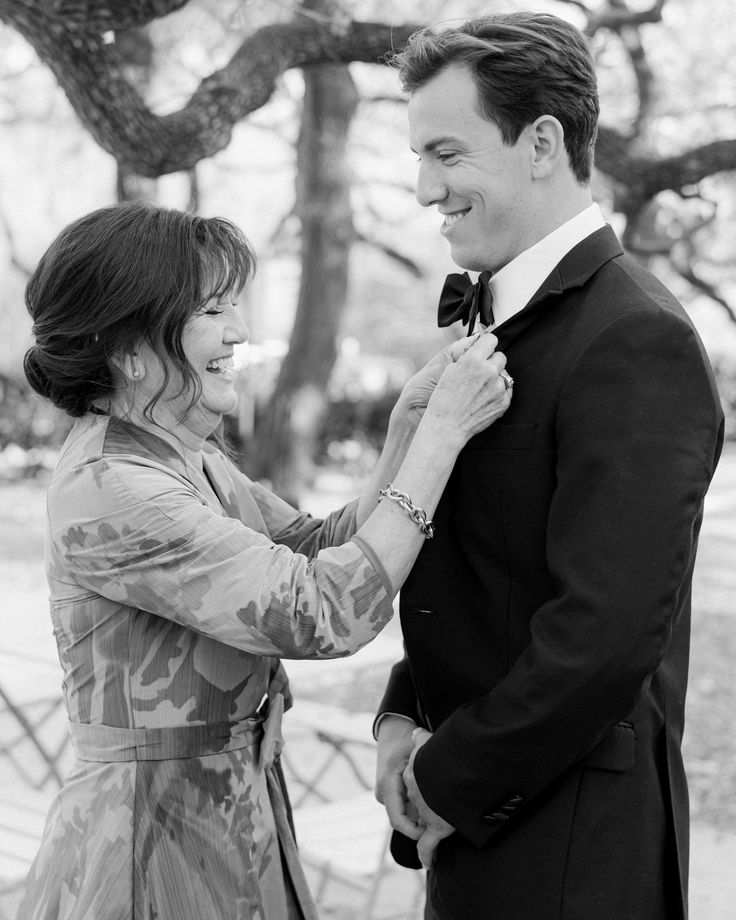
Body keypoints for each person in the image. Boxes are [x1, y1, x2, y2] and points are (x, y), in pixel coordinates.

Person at [18, 200, 512, 920]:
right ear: (127, 346)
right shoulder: (115, 489)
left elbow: (314, 546)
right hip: (151, 847)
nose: (239, 331)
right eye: (212, 309)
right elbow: (322, 612)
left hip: (232, 819)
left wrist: (407, 427)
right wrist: (441, 440)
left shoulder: (184, 456)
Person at [374, 12, 724, 920]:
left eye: (446, 154)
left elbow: (602, 637)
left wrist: (443, 782)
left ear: (540, 142)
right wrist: (399, 719)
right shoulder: (499, 324)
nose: (423, 188)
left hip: (572, 854)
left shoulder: (636, 337)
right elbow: (481, 573)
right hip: (486, 821)